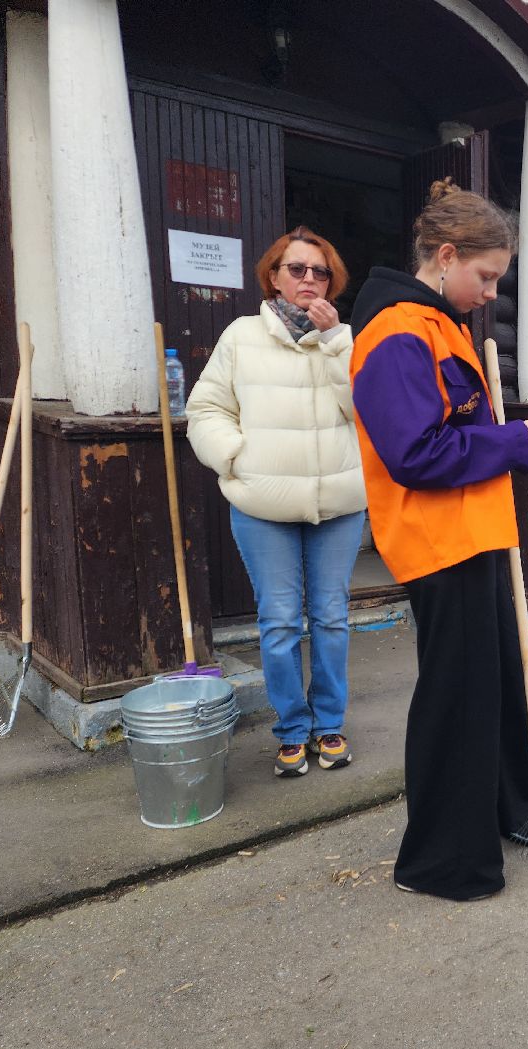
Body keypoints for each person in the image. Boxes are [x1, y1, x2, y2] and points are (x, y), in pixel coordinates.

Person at [349, 179, 528, 902]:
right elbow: (413, 453)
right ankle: (442, 860)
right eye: (486, 276)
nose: (491, 293)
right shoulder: (395, 333)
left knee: (499, 686)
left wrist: (516, 435)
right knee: (456, 698)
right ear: (445, 256)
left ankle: (513, 804)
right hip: (436, 541)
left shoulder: (442, 323)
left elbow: (463, 427)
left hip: (476, 533)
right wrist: (511, 443)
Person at [186, 226, 366, 779]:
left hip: (338, 502)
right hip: (263, 505)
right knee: (282, 622)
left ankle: (329, 723)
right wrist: (234, 456)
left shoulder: (347, 338)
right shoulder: (241, 336)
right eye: (297, 269)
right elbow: (207, 408)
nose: (309, 279)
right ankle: (292, 729)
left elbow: (366, 411)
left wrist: (337, 345)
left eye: (321, 272)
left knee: (332, 618)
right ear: (273, 277)